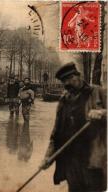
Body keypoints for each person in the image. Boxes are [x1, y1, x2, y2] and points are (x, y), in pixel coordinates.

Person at [41, 63, 107, 192]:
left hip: (92, 158)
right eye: (64, 81)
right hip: (70, 160)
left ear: (78, 76)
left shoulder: (98, 92)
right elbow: (56, 133)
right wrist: (48, 157)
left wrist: (102, 113)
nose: (67, 83)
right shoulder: (63, 100)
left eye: (69, 78)